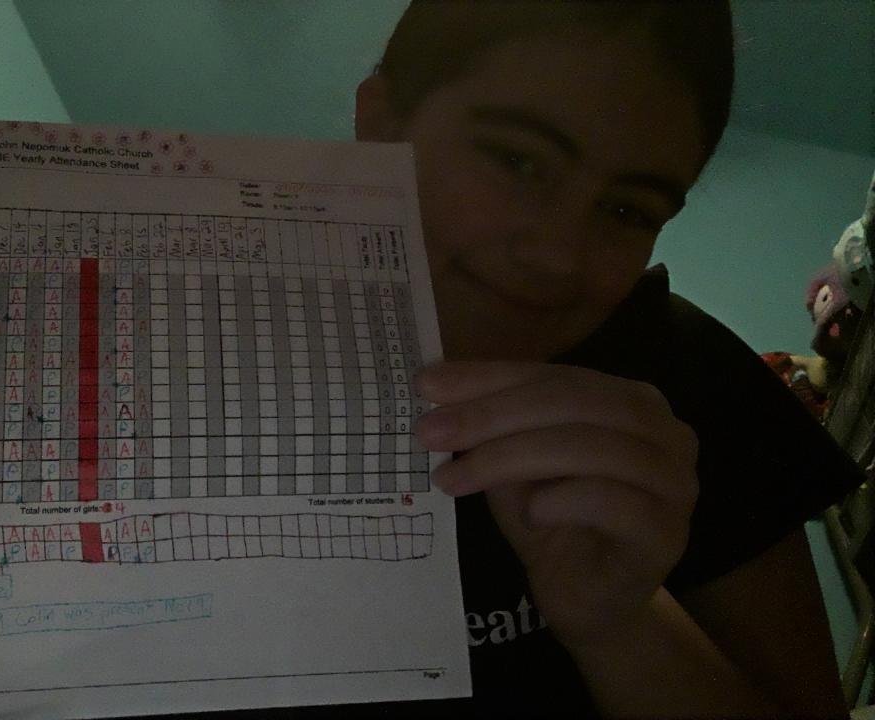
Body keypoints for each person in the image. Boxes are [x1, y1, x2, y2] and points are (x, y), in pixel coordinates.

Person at [329, 0, 865, 717]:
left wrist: (622, 626)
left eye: (626, 211)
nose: (556, 257)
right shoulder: (190, 353)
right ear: (380, 121)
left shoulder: (690, 381)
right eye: (517, 160)